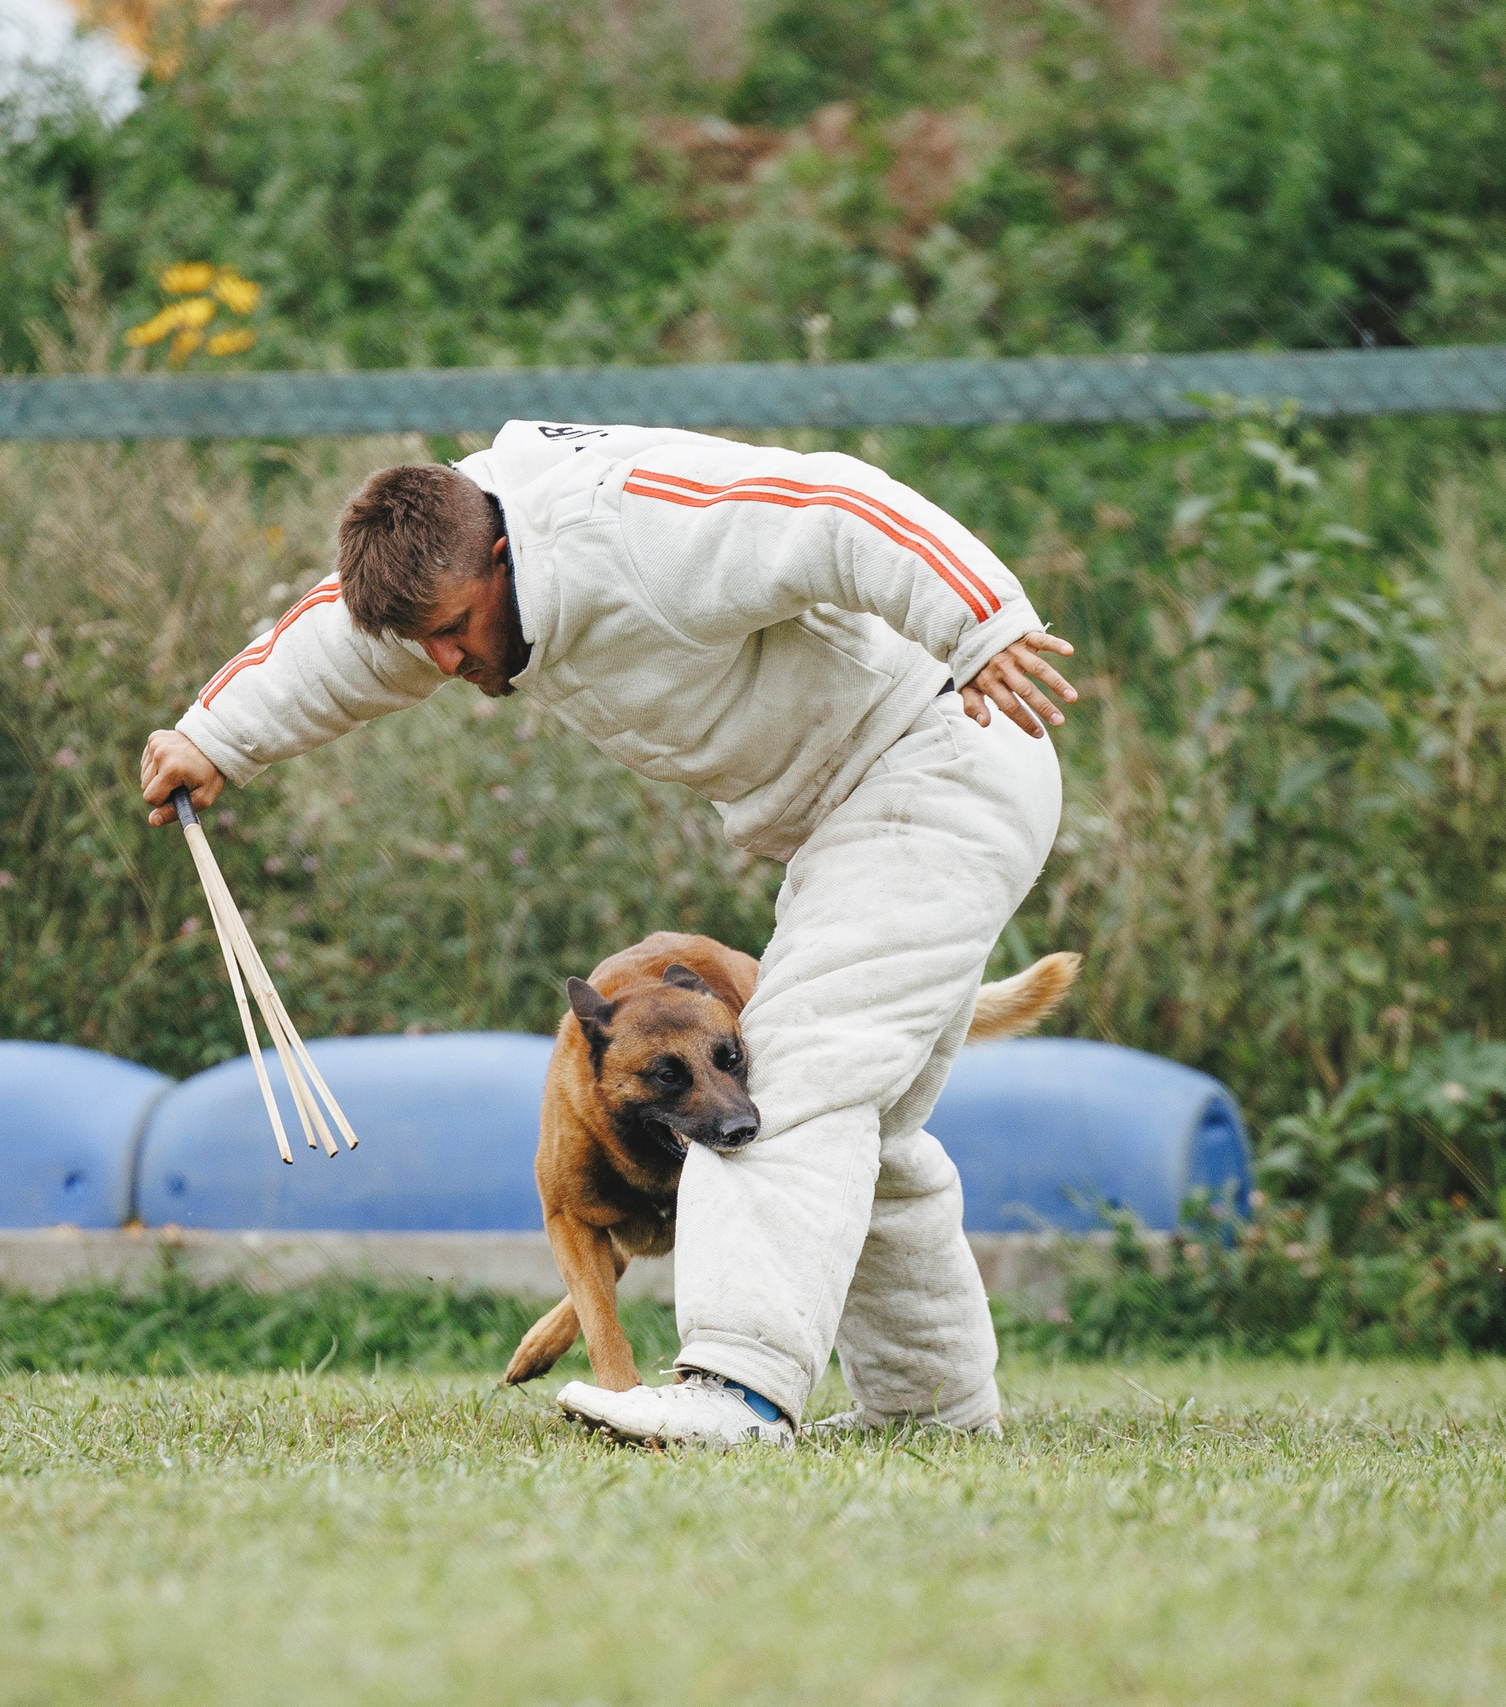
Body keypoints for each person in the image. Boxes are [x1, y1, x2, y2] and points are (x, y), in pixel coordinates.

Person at [139, 421, 1077, 1447]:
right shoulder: (464, 571)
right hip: (851, 810)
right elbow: (338, 643)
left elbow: (833, 507)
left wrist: (982, 621)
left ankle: (738, 1390)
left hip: (944, 753)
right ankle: (930, 1409)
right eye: (426, 646)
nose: (448, 664)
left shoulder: (635, 525)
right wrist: (209, 736)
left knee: (791, 1073)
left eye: (455, 629)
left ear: (499, 557)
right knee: (866, 1130)